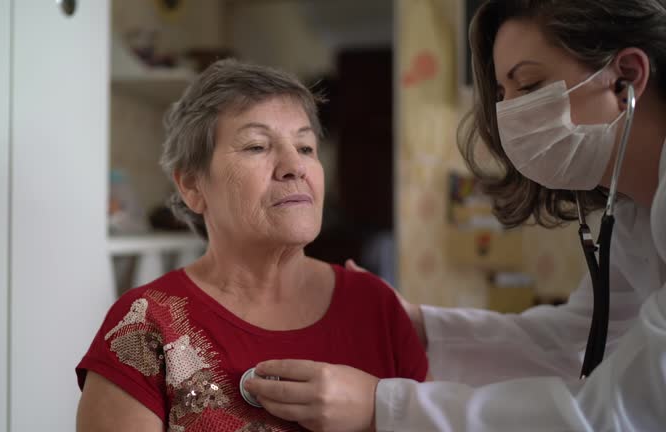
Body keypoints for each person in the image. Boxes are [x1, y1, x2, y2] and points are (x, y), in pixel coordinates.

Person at [244, 1, 666, 430]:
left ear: (626, 78)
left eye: (530, 84)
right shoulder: (638, 214)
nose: (509, 116)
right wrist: (418, 325)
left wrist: (384, 408)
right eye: (502, 94)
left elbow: (624, 411)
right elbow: (577, 340)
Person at [74, 59, 428, 432]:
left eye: (306, 147)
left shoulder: (375, 306)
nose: (295, 166)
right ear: (193, 186)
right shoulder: (144, 323)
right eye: (257, 146)